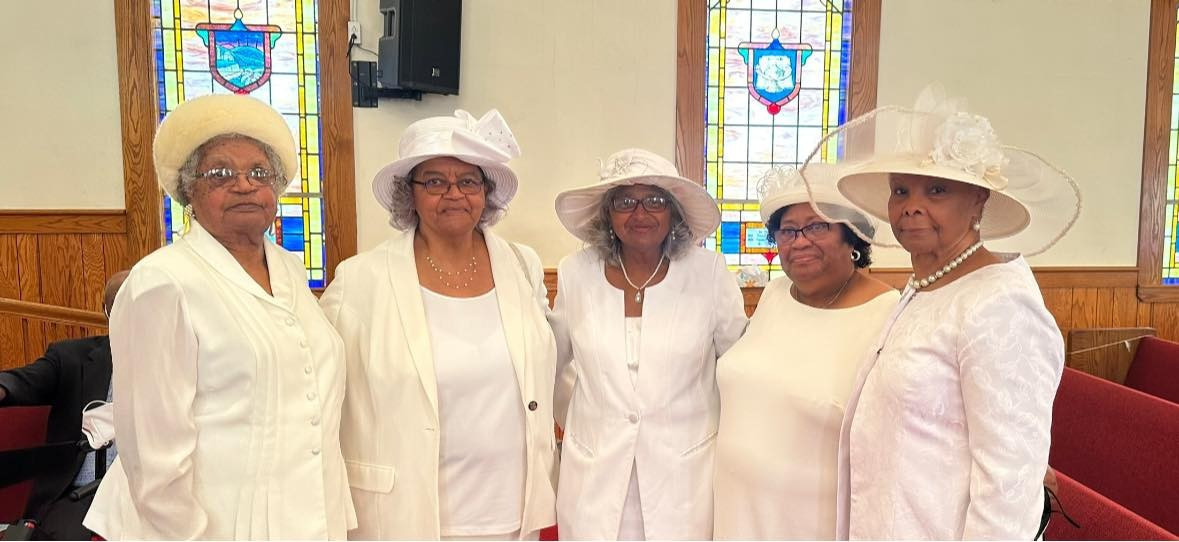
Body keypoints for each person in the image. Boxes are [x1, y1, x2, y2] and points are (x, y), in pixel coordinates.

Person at [799, 86, 1081, 539]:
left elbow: (1008, 490)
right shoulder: (926, 286)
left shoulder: (1000, 305)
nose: (912, 206)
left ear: (978, 199)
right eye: (900, 190)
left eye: (937, 190)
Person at [83, 94, 355, 540]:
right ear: (188, 191)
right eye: (221, 173)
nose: (244, 185)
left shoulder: (288, 269)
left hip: (304, 521)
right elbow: (152, 456)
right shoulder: (162, 282)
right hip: (209, 528)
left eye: (259, 173)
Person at [320, 109, 557, 540]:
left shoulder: (522, 266)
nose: (454, 194)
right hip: (403, 512)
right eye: (434, 182)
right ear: (408, 193)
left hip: (508, 508)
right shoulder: (360, 280)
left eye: (468, 181)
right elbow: (323, 392)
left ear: (485, 193)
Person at [550, 148, 748, 540]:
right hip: (595, 479)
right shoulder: (576, 274)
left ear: (674, 211)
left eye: (655, 200)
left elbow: (739, 367)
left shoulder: (708, 273)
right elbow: (549, 362)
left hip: (684, 482)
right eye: (625, 202)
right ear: (608, 213)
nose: (640, 213)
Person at [712, 165, 898, 540]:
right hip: (735, 510)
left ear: (851, 235)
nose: (800, 242)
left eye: (817, 227)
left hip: (811, 519)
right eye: (788, 230)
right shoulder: (775, 293)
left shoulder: (887, 313)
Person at [0, 272, 127, 540]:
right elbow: (26, 381)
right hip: (80, 496)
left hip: (149, 496)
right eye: (121, 304)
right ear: (106, 312)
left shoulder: (175, 364)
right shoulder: (71, 357)